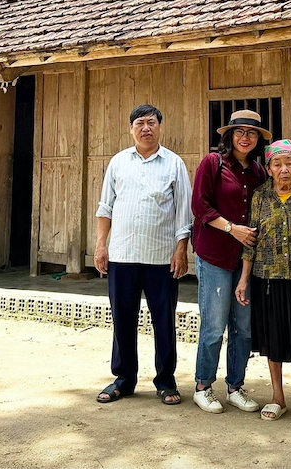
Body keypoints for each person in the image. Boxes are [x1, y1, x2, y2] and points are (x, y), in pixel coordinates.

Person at [94, 104, 192, 406]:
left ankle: (165, 380)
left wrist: (181, 250)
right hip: (122, 255)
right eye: (139, 123)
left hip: (161, 258)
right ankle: (124, 379)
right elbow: (105, 207)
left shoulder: (174, 164)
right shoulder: (118, 162)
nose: (145, 128)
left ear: (160, 127)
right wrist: (101, 245)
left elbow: (183, 213)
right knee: (122, 320)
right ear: (131, 128)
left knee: (163, 321)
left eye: (151, 122)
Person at [235, 139, 291, 422]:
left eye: (289, 163)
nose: (284, 169)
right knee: (273, 338)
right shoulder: (260, 197)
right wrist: (244, 279)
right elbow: (251, 239)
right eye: (277, 164)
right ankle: (278, 397)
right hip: (268, 278)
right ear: (269, 168)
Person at [190, 109, 269, 414]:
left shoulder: (261, 172)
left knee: (244, 328)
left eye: (251, 133)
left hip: (247, 261)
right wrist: (231, 228)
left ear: (258, 139)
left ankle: (235, 386)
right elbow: (200, 205)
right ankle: (203, 385)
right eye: (239, 132)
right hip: (216, 257)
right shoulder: (214, 163)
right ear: (229, 135)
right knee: (214, 325)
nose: (245, 137)